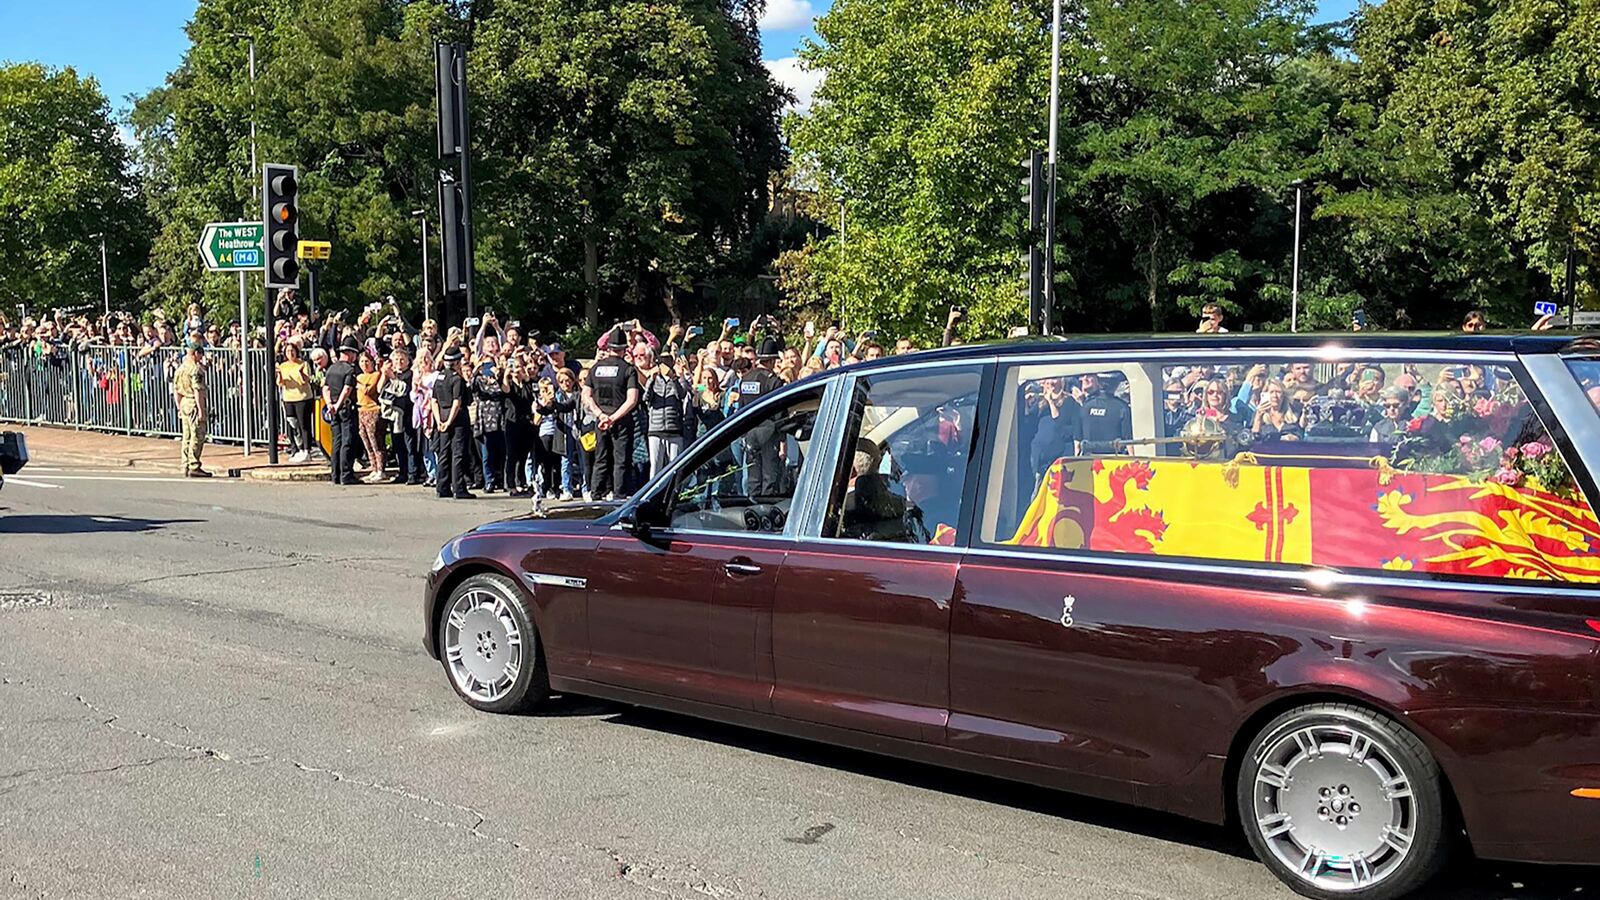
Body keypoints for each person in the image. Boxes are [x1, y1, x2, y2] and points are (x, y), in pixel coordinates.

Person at [584, 328, 641, 500]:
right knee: (621, 461)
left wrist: (600, 414)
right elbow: (632, 399)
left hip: (601, 420)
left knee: (601, 459)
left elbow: (586, 395)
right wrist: (614, 418)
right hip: (621, 421)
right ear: (624, 349)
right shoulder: (628, 369)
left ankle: (595, 494)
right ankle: (619, 495)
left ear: (608, 348)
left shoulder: (595, 368)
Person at [737, 336, 788, 496]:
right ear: (773, 361)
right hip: (769, 433)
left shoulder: (745, 380)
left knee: (753, 477)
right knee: (769, 477)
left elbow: (741, 408)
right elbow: (779, 412)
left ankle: (752, 505)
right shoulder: (774, 382)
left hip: (751, 433)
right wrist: (782, 437)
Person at [432, 348, 474, 499]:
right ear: (456, 362)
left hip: (442, 414)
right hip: (457, 418)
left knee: (444, 453)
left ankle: (442, 487)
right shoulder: (457, 379)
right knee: (458, 453)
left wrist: (439, 421)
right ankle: (459, 488)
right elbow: (457, 402)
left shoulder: (439, 377)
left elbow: (434, 401)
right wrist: (449, 421)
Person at [323, 337, 361, 485]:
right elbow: (346, 390)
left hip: (333, 409)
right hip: (345, 408)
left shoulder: (331, 368)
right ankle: (346, 475)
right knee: (347, 441)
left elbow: (325, 388)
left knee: (336, 442)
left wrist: (330, 405)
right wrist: (338, 405)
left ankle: (335, 475)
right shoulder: (349, 370)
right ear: (351, 354)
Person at [173, 339, 211, 477]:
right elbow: (198, 391)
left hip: (184, 402)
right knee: (197, 435)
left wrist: (179, 407)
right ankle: (194, 464)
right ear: (195, 353)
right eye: (200, 354)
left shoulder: (180, 369)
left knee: (186, 436)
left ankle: (185, 465)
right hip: (193, 403)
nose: (201, 357)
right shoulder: (195, 369)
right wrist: (201, 410)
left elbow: (176, 390)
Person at [277, 342, 314, 463]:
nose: (290, 353)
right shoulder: (283, 366)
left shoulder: (303, 364)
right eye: (287, 351)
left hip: (302, 397)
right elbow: (280, 383)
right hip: (288, 397)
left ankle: (307, 450)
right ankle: (297, 448)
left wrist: (301, 374)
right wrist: (279, 375)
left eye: (292, 351)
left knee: (304, 424)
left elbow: (306, 380)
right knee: (292, 423)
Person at [1078, 372, 1132, 455]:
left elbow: (1078, 439)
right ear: (1116, 384)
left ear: (1099, 382)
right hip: (1115, 461)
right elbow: (1129, 441)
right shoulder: (1122, 407)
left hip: (1089, 461)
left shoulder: (1086, 406)